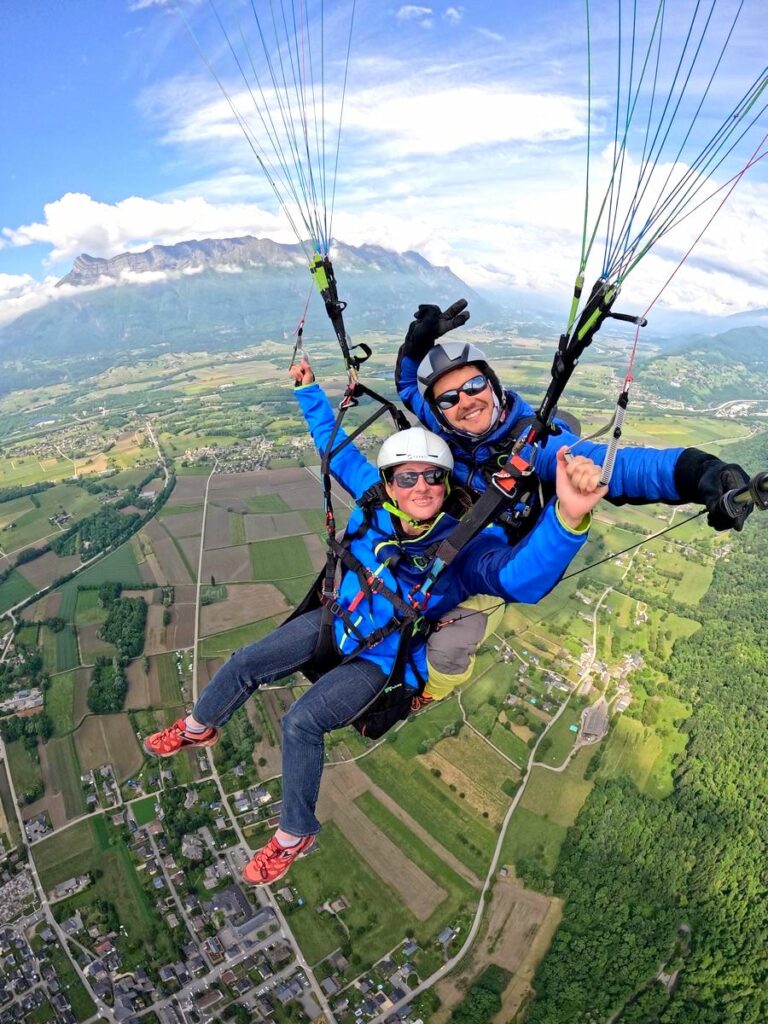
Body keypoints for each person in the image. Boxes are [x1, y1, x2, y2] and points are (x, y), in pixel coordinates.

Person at [143, 359, 606, 887]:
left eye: (434, 476)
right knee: (246, 661)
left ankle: (294, 834)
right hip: (334, 621)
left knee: (301, 722)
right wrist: (309, 391)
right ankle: (199, 726)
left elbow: (520, 578)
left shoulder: (465, 544)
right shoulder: (372, 499)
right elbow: (334, 446)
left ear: (447, 481)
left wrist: (568, 519)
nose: (422, 486)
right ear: (389, 481)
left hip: (377, 658)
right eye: (407, 477)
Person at [394, 299, 754, 698]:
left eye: (474, 386)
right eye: (448, 399)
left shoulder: (537, 445)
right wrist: (415, 346)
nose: (463, 401)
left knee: (448, 644)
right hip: (451, 544)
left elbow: (618, 467)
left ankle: (430, 692)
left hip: (493, 564)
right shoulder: (448, 425)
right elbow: (409, 387)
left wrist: (699, 472)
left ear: (493, 387)